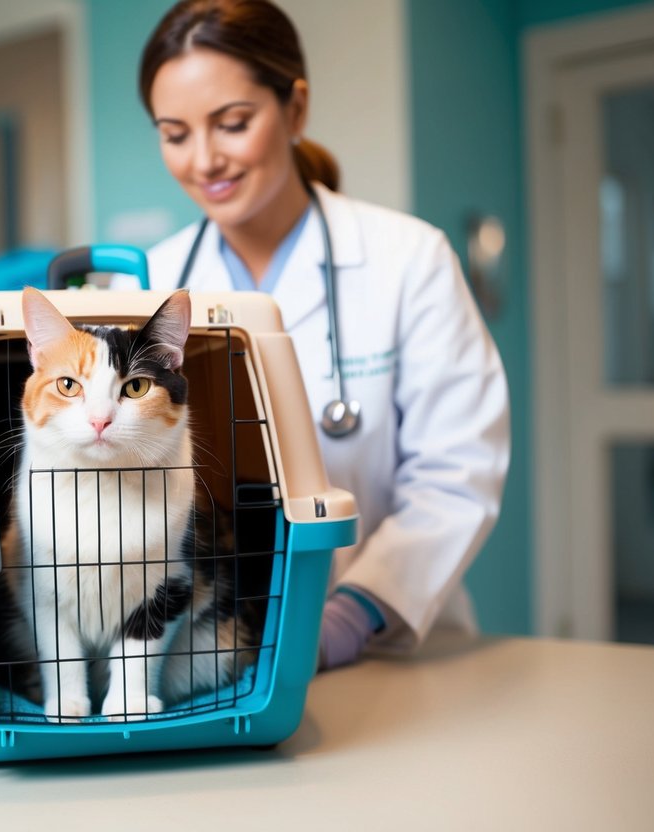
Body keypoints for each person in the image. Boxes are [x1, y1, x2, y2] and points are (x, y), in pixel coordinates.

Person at [136, 0, 510, 669]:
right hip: (188, 649)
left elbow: (456, 477)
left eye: (232, 124)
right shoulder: (146, 285)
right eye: (174, 134)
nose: (204, 159)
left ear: (295, 108)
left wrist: (347, 616)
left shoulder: (407, 259)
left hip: (384, 648)